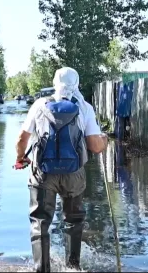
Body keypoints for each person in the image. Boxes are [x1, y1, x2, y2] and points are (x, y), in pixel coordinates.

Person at [14, 67, 108, 272]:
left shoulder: (39, 105)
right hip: (73, 173)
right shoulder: (84, 107)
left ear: (55, 82)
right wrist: (106, 140)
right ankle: (73, 267)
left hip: (43, 173)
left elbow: (22, 139)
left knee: (40, 222)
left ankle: (42, 269)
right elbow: (95, 146)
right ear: (77, 83)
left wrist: (21, 157)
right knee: (73, 221)